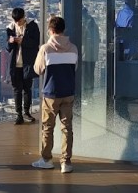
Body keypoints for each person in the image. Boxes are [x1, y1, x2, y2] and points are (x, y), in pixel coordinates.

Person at [31, 15, 79, 174]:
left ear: (51, 30)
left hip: (51, 93)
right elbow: (75, 68)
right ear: (63, 30)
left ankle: (46, 159)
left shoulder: (46, 48)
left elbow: (38, 69)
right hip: (68, 92)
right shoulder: (73, 48)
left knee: (48, 127)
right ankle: (66, 162)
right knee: (67, 128)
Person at [6, 7, 41, 124]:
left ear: (24, 17)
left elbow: (36, 43)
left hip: (27, 63)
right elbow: (8, 48)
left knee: (27, 89)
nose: (17, 23)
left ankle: (26, 112)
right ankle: (18, 114)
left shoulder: (32, 26)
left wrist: (22, 41)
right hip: (15, 64)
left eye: (19, 21)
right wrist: (11, 42)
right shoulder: (10, 28)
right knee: (17, 89)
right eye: (16, 21)